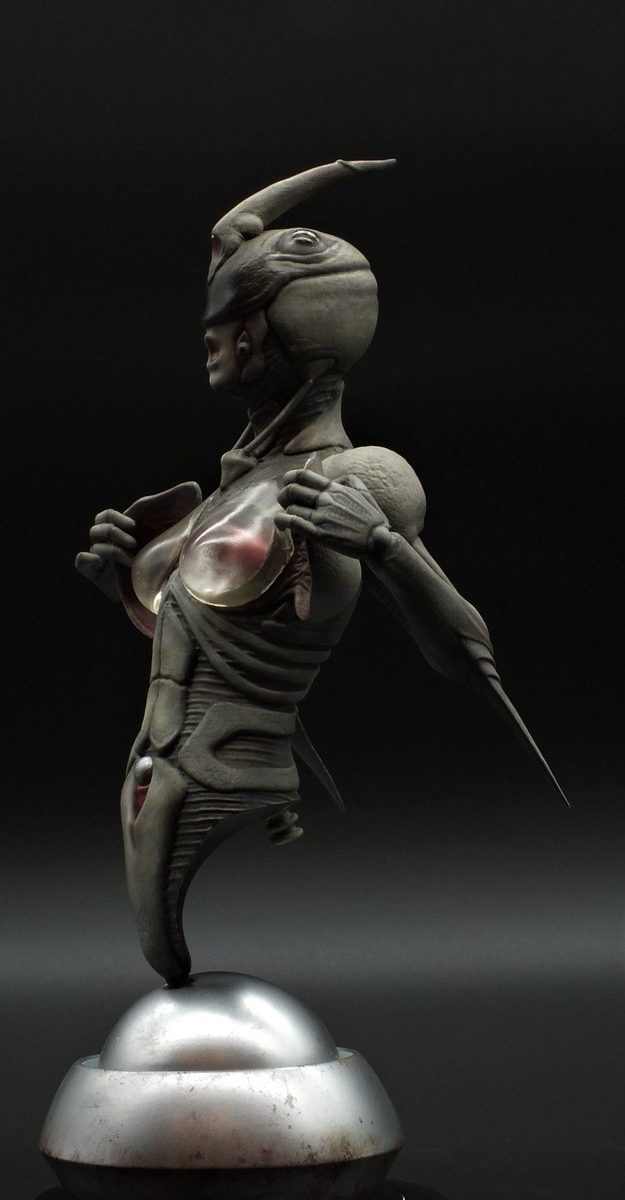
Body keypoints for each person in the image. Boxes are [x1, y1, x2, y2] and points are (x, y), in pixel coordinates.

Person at [75, 160, 565, 987]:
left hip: (230, 770)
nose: (210, 338)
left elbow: (465, 649)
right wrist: (126, 580)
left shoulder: (353, 478)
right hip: (154, 770)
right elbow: (203, 631)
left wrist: (383, 546)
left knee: (167, 953)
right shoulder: (233, 487)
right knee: (164, 951)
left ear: (272, 335)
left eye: (229, 320)